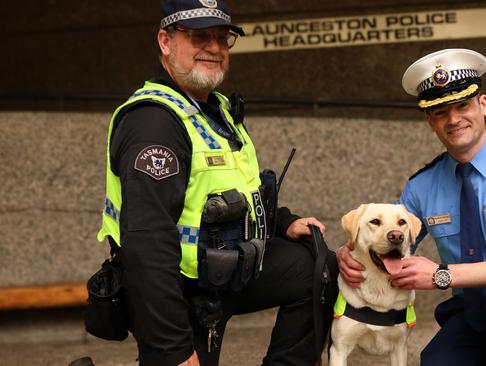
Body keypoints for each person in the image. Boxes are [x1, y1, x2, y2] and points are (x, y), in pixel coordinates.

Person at [95, 1, 337, 365]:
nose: (213, 47)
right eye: (198, 36)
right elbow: (147, 243)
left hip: (229, 271)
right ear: (165, 41)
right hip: (178, 291)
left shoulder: (216, 109)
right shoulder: (154, 122)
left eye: (222, 38)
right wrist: (172, 347)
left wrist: (284, 222)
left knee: (316, 267)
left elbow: (235, 192)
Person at [336, 48, 486, 365]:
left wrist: (441, 276)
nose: (453, 119)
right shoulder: (422, 185)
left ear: (484, 105)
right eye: (440, 112)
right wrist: (351, 250)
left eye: (463, 105)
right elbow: (387, 233)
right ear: (430, 121)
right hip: (470, 313)